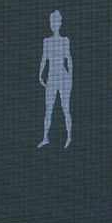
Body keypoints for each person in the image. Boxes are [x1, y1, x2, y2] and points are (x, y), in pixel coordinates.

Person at [36, 10, 74, 149]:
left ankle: (69, 136)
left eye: (56, 22)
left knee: (65, 108)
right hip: (52, 76)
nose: (54, 25)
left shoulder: (65, 40)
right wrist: (41, 74)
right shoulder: (47, 41)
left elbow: (68, 59)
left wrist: (70, 76)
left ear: (60, 23)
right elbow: (44, 59)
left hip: (63, 76)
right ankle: (45, 137)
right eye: (52, 22)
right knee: (49, 109)